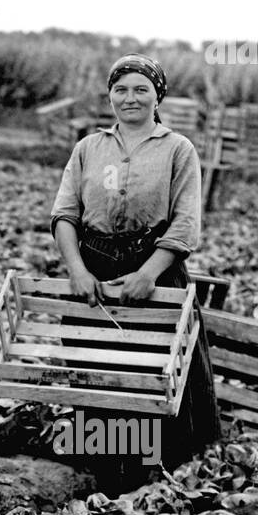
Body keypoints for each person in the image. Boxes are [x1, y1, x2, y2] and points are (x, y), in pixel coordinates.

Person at [48, 53, 220, 486]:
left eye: (141, 89)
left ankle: (157, 477)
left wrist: (149, 273)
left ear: (157, 96)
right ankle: (106, 473)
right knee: (97, 370)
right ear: (110, 96)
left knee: (156, 375)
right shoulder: (89, 147)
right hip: (95, 266)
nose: (130, 98)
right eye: (121, 89)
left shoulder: (178, 149)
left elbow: (185, 225)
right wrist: (77, 271)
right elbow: (65, 214)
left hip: (156, 267)